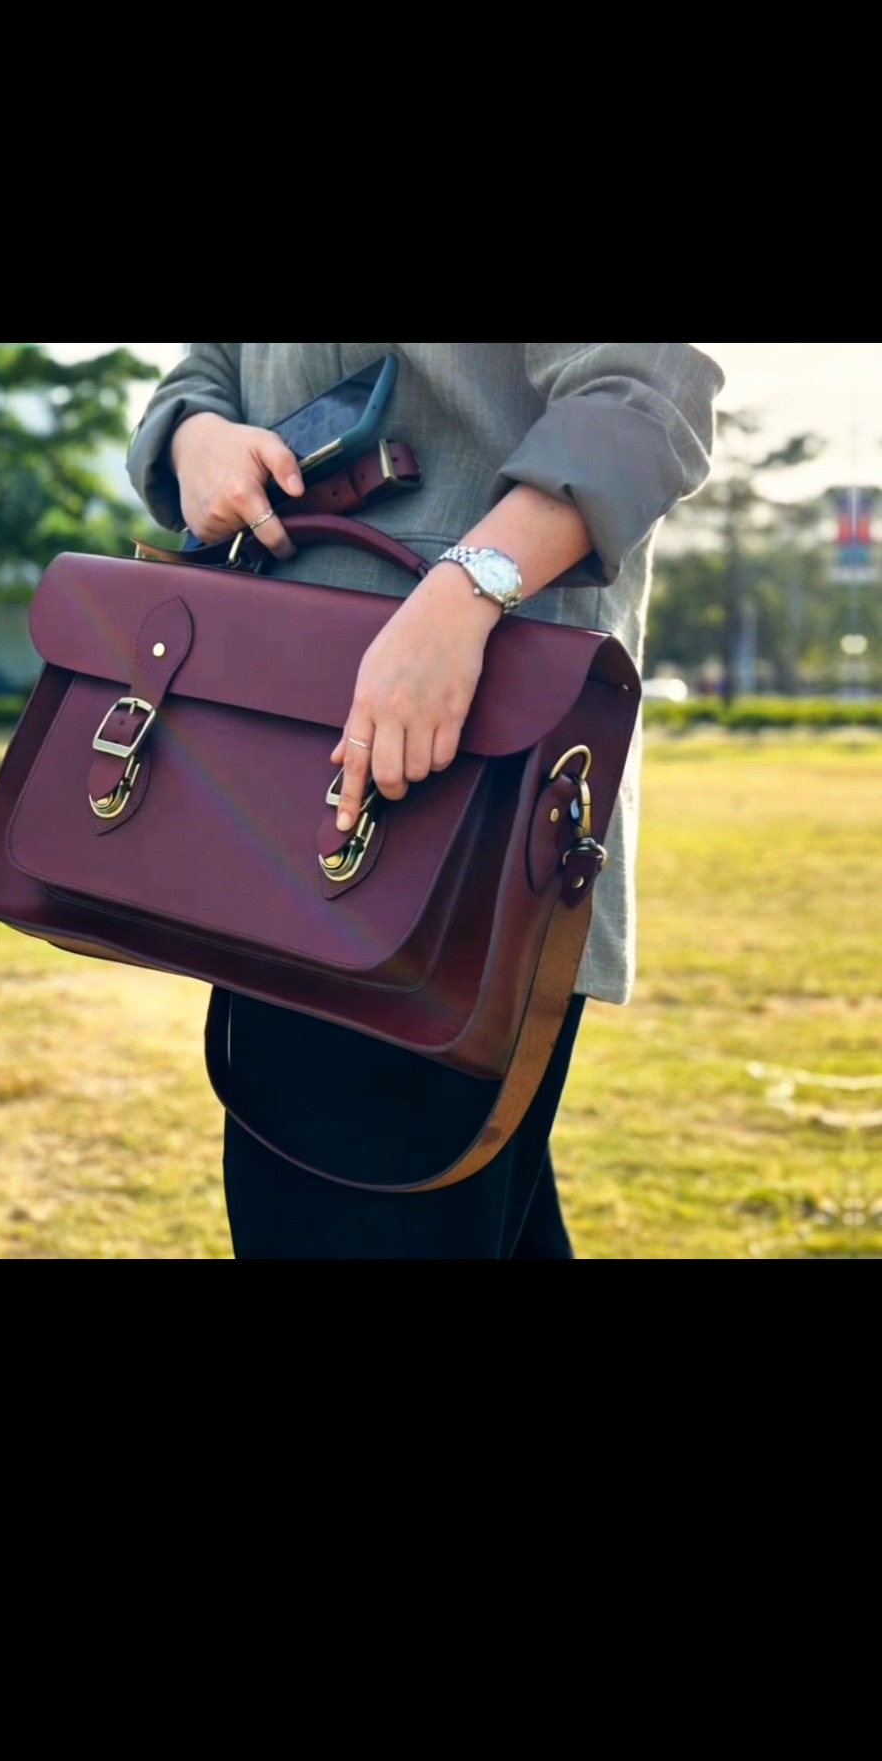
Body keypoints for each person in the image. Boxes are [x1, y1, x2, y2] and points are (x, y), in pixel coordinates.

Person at [127, 343, 725, 1260]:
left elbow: (651, 389)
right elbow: (206, 367)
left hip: (461, 800)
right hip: (283, 789)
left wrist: (466, 589)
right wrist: (196, 438)